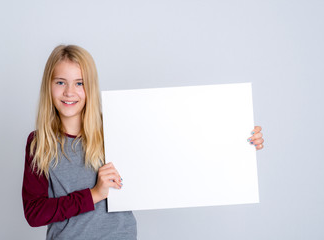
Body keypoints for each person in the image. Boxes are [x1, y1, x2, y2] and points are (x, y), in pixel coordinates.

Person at [22, 44, 265, 240]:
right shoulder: (38, 143)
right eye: (60, 82)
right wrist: (94, 194)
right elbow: (34, 213)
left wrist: (238, 138)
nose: (69, 92)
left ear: (90, 87)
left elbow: (177, 146)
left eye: (79, 83)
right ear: (49, 86)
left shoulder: (116, 129)